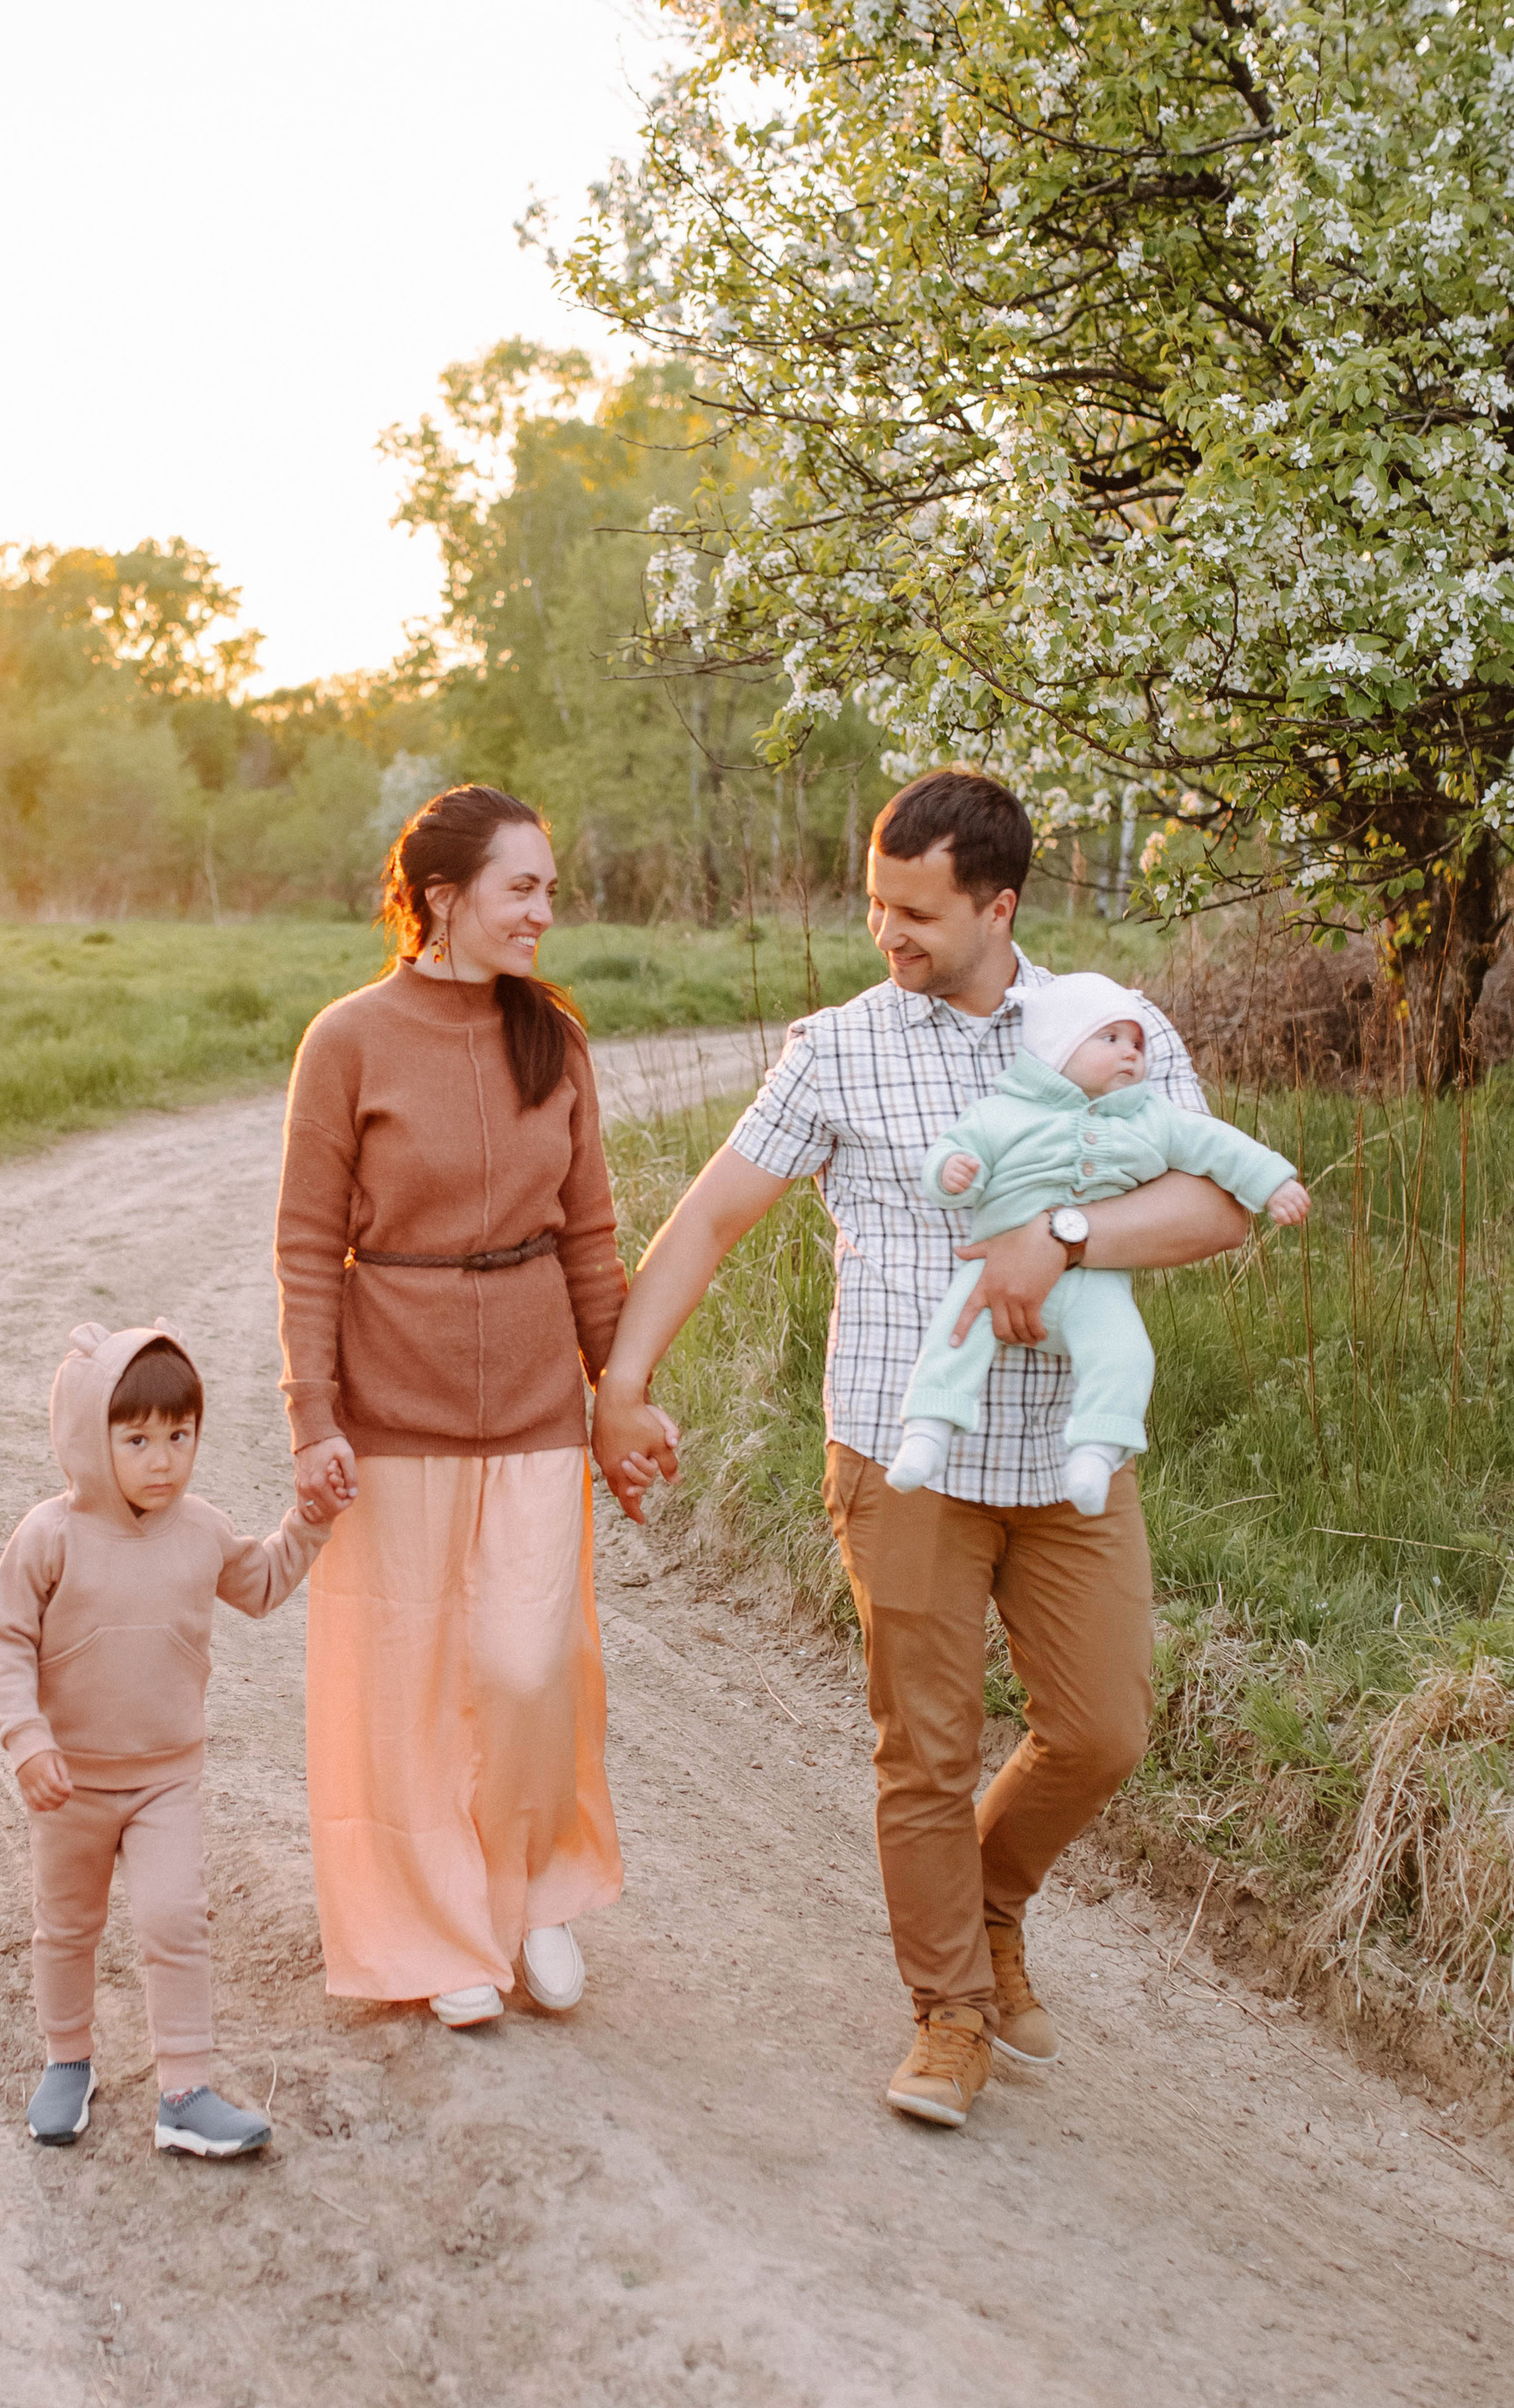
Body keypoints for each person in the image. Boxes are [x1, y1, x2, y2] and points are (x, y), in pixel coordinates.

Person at [592, 769, 1253, 2131]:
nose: (887, 932)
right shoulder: (837, 1048)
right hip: (903, 1451)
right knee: (927, 1750)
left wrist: (1065, 1236)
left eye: (918, 912)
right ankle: (950, 2012)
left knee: (1102, 1731)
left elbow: (1212, 1200)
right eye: (876, 903)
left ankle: (991, 1902)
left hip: (1069, 1449)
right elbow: (711, 1218)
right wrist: (623, 1378)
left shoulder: (1109, 1026)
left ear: (1000, 907)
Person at [274, 784, 650, 2031]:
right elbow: (305, 1246)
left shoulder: (555, 1040)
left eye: (550, 890)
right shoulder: (348, 1040)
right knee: (409, 1680)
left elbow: (590, 1238)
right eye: (521, 888)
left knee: (528, 1665)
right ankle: (438, 1936)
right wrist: (313, 1416)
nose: (544, 912)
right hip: (393, 1406)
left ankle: (530, 1893)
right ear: (443, 897)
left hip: (538, 1403)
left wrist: (619, 1399)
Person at [0, 1320, 328, 2156]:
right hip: (69, 1781)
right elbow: (3, 1640)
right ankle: (68, 2060)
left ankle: (185, 2091)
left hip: (167, 1779)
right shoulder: (49, 1537)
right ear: (89, 1439)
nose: (162, 1460)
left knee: (175, 1919)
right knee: (67, 1926)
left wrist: (309, 1524)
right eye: (136, 1440)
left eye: (180, 1436)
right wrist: (27, 1741)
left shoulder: (200, 1529)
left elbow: (261, 1583)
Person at [889, 969, 1310, 1515]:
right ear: (1054, 1050)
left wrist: (1273, 1185)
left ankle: (1096, 1450)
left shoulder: (1150, 1118)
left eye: (1136, 1043)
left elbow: (1219, 1145)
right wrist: (954, 1174)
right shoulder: (1002, 1113)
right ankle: (927, 1431)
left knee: (1126, 1351)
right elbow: (954, 1155)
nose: (1130, 1053)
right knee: (956, 1332)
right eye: (1109, 1038)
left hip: (1094, 1280)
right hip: (995, 1268)